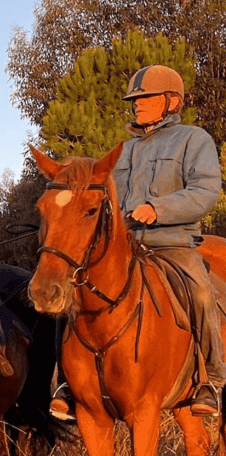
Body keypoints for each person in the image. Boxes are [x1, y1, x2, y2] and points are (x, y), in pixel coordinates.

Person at [50, 64, 225, 419]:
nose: (137, 104)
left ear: (171, 100)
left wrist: (158, 208)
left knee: (203, 292)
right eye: (135, 99)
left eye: (145, 98)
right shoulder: (122, 151)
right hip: (124, 248)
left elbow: (206, 190)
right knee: (68, 293)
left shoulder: (193, 139)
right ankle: (67, 382)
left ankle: (211, 381)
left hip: (172, 242)